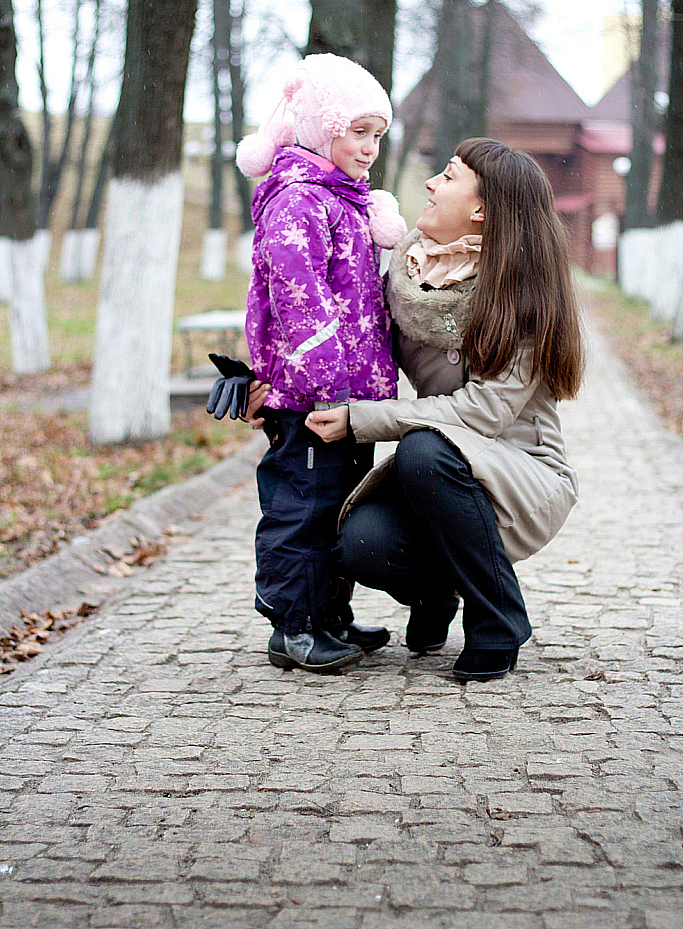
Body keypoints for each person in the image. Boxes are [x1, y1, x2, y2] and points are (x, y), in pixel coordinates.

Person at [303, 137, 585, 683]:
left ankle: (498, 620)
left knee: (424, 449)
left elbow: (482, 413)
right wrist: (269, 383)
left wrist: (363, 421)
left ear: (481, 210)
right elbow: (342, 334)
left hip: (520, 474)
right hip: (441, 472)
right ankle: (438, 593)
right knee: (364, 545)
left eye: (449, 176)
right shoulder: (410, 274)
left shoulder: (523, 292)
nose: (431, 184)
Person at [226, 53, 407, 674]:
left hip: (346, 401)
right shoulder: (299, 203)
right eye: (358, 132)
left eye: (378, 135)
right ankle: (294, 626)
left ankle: (331, 614)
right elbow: (300, 301)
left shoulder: (344, 200)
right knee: (302, 509)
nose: (369, 149)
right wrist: (328, 388)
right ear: (319, 128)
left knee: (338, 506)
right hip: (311, 399)